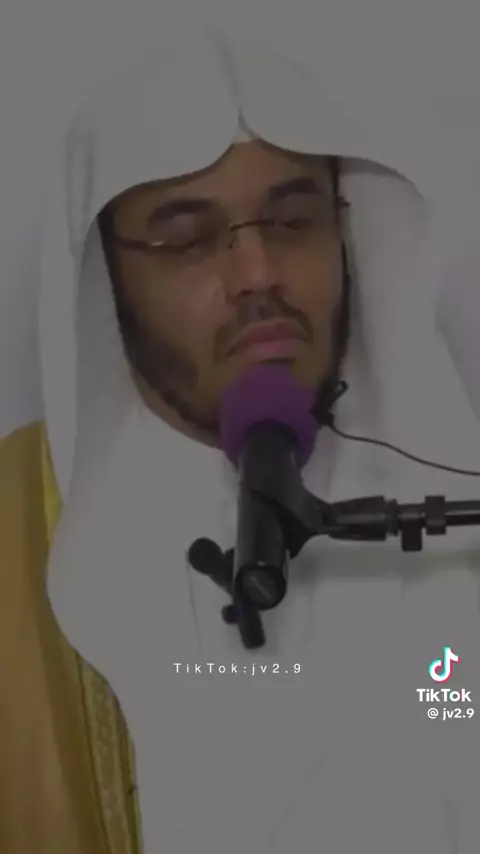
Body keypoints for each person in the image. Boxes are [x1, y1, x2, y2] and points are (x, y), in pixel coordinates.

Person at [3, 26, 480, 854]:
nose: (258, 274)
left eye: (293, 220)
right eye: (188, 238)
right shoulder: (17, 549)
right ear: (106, 278)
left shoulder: (456, 495)